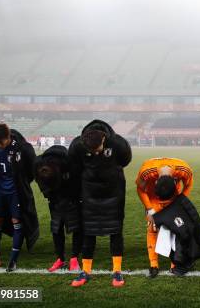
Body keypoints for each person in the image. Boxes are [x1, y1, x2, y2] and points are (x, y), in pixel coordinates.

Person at [68, 120, 132, 287]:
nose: (96, 153)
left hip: (114, 192)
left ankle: (117, 271)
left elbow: (126, 160)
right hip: (89, 193)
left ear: (103, 139)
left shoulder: (118, 143)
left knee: (115, 231)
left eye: (98, 149)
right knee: (89, 231)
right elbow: (74, 168)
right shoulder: (77, 145)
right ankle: (85, 271)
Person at [0, 123, 38, 272]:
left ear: (8, 137)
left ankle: (13, 261)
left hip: (15, 193)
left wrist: (21, 184)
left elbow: (32, 171)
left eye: (1, 143)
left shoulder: (23, 148)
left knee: (17, 221)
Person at [136, 157, 194, 278]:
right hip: (153, 199)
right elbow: (140, 189)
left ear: (174, 181)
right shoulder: (146, 170)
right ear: (156, 181)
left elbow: (188, 185)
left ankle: (175, 263)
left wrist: (181, 201)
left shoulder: (184, 169)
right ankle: (153, 264)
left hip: (174, 199)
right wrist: (149, 208)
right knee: (153, 227)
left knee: (175, 229)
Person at [34, 145, 82, 272]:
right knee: (56, 227)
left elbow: (78, 183)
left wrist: (72, 198)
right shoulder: (39, 165)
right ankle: (60, 259)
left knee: (76, 227)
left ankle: (74, 258)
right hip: (54, 199)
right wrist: (50, 196)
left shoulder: (70, 164)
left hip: (72, 198)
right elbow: (40, 182)